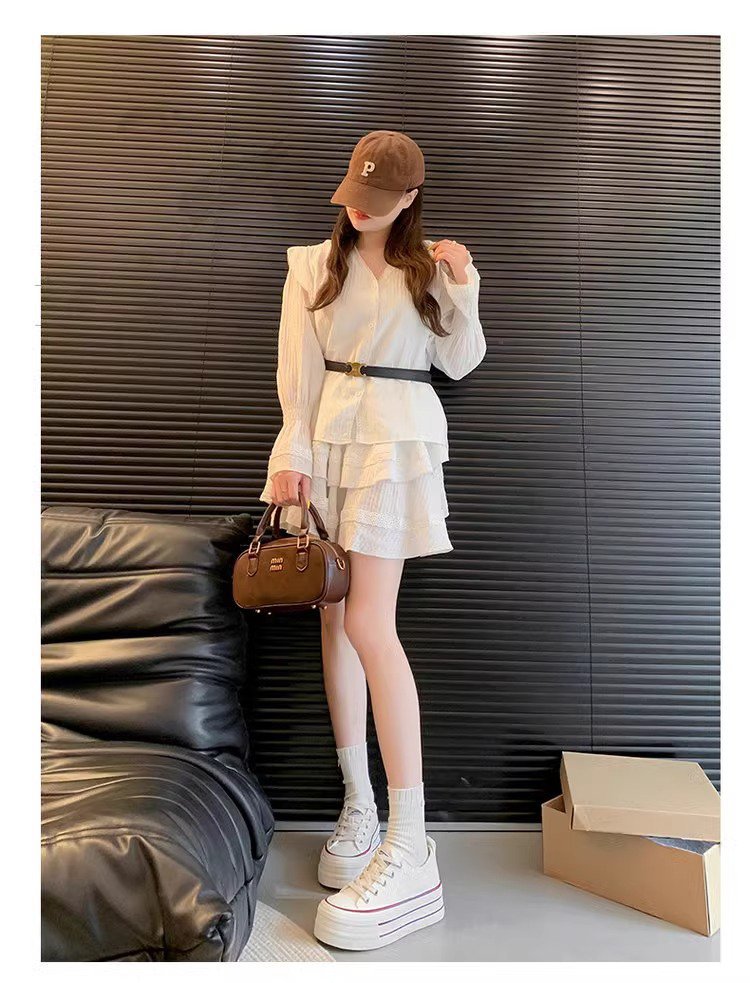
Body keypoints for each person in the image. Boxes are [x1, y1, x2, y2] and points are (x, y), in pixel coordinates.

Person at [258, 130, 486, 951]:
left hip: (397, 442)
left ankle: (410, 837)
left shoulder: (428, 271)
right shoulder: (311, 265)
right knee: (334, 622)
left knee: (367, 623)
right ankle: (359, 802)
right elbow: (297, 373)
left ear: (409, 199)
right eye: (354, 194)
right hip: (328, 443)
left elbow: (461, 361)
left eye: (379, 198)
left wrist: (464, 283)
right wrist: (291, 456)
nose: (361, 208)